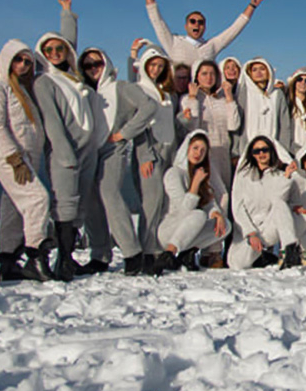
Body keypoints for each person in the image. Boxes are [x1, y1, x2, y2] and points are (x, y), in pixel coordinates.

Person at [78, 47, 158, 274]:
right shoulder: (83, 91)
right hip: (89, 151)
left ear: (106, 64)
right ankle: (99, 254)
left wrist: (125, 133)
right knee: (92, 201)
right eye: (88, 66)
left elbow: (148, 107)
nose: (93, 69)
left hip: (112, 149)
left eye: (97, 64)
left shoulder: (121, 88)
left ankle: (132, 253)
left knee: (109, 194)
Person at [33, 0, 97, 281]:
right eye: (50, 50)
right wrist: (63, 151)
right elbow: (51, 120)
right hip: (66, 149)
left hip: (87, 146)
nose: (56, 52)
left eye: (60, 49)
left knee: (79, 203)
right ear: (42, 54)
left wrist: (68, 14)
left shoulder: (71, 75)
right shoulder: (44, 81)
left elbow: (68, 42)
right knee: (65, 202)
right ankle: (62, 258)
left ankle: (69, 256)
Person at [0, 39, 54, 282]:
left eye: (27, 61)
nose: (22, 65)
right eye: (18, 59)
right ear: (6, 60)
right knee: (37, 198)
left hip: (27, 157)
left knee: (12, 207)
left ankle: (8, 260)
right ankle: (35, 255)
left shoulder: (21, 89)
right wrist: (12, 157)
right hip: (11, 159)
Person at [134, 0, 264, 68]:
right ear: (186, 26)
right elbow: (157, 20)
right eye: (193, 21)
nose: (197, 24)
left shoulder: (211, 46)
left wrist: (252, 6)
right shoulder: (173, 42)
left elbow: (234, 29)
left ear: (205, 27)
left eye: (201, 22)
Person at [128, 40, 179, 271]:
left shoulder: (167, 93)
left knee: (164, 203)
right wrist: (144, 155)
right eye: (152, 65)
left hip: (169, 148)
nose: (156, 70)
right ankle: (146, 251)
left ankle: (158, 248)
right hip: (150, 150)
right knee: (151, 202)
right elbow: (138, 126)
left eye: (160, 66)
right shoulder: (139, 90)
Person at [156, 131, 230, 271]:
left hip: (188, 231)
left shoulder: (199, 173)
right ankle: (168, 254)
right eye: (195, 148)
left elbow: (209, 202)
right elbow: (183, 210)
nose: (198, 153)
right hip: (169, 230)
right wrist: (195, 184)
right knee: (198, 215)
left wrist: (216, 213)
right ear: (187, 148)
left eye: (203, 150)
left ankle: (187, 253)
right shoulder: (174, 173)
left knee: (225, 225)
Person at [229, 136, 300, 269]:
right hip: (248, 233)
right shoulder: (243, 176)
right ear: (252, 154)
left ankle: (290, 250)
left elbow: (278, 200)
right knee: (237, 264)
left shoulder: (277, 175)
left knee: (280, 204)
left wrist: (287, 176)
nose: (261, 154)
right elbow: (237, 208)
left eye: (265, 150)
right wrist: (250, 233)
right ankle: (261, 257)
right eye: (257, 151)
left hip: (266, 230)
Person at [179, 59, 241, 197]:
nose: (209, 78)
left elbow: (234, 125)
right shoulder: (187, 99)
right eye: (204, 74)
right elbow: (191, 127)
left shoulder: (222, 99)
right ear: (196, 76)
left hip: (222, 152)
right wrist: (193, 98)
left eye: (212, 74)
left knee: (225, 193)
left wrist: (229, 97)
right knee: (209, 193)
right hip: (203, 154)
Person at [239, 57, 291, 153]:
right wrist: (236, 151)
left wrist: (283, 150)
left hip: (273, 149)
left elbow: (284, 125)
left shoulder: (277, 94)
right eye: (254, 70)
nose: (258, 72)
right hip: (248, 149)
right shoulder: (244, 93)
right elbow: (239, 123)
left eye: (262, 69)